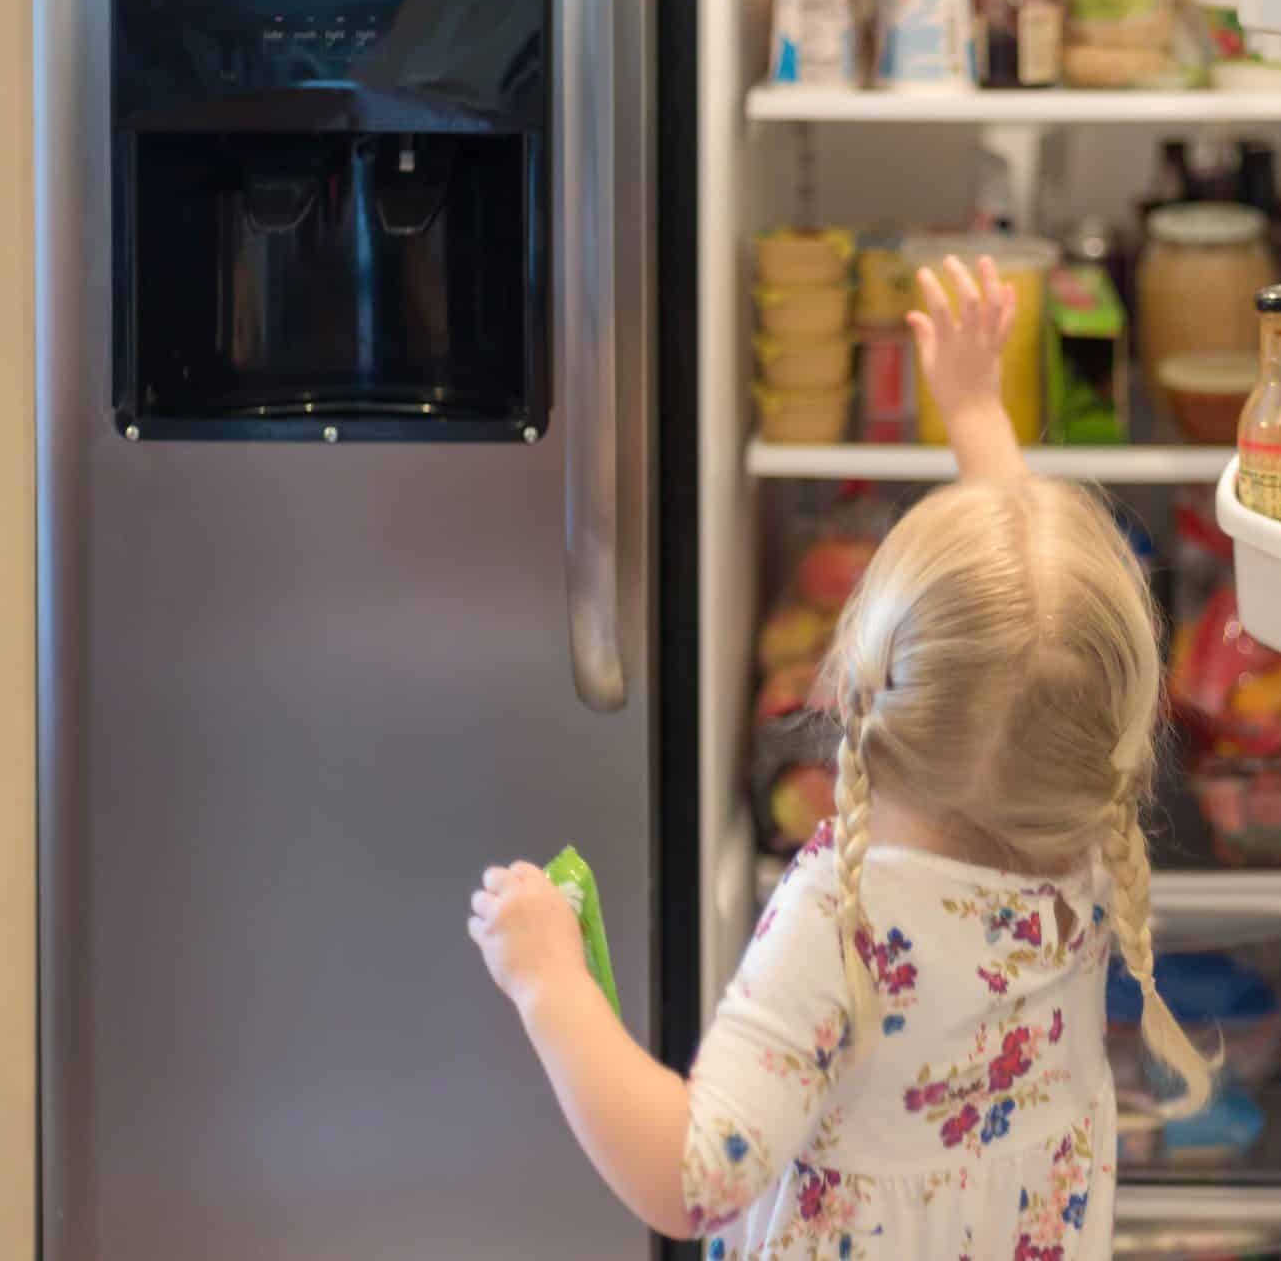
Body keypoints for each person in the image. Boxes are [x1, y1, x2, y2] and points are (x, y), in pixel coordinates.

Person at [467, 256, 1214, 1258]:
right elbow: (1035, 645)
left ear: (858, 698)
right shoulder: (1078, 853)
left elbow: (690, 1178)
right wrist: (976, 412)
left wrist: (548, 982)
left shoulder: (847, 926)